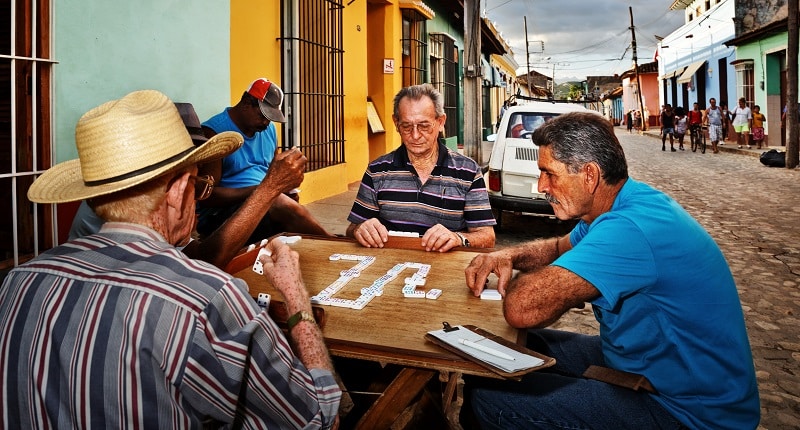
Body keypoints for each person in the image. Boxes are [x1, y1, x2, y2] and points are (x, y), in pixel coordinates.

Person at [0, 90, 341, 428]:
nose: (203, 195)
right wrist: (297, 298)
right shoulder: (207, 299)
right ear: (178, 192)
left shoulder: (16, 282)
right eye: (199, 185)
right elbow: (319, 418)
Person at [459, 112, 759, 430]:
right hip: (644, 362)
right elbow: (558, 249)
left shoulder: (629, 228)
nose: (540, 186)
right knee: (504, 348)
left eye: (549, 173)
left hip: (690, 412)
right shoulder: (618, 205)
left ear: (589, 175)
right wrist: (509, 255)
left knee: (487, 399)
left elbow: (522, 308)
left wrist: (547, 282)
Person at [67, 102, 309, 269]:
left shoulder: (153, 204)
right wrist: (267, 190)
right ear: (178, 188)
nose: (194, 199)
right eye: (196, 182)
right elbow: (206, 262)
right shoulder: (131, 209)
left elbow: (197, 254)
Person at [346, 84, 496, 252]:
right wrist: (360, 229)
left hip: (444, 270)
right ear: (396, 123)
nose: (415, 135)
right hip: (388, 266)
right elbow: (352, 229)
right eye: (407, 126)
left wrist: (458, 238)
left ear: (440, 122)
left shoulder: (467, 171)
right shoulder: (377, 171)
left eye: (424, 126)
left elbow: (487, 236)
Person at [197, 78, 332, 243]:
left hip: (263, 202)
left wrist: (283, 188)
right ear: (246, 104)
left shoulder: (268, 130)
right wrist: (261, 190)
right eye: (263, 116)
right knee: (278, 202)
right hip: (221, 214)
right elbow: (207, 196)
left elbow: (273, 171)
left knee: (284, 205)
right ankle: (331, 241)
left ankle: (326, 241)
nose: (266, 122)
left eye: (270, 118)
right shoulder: (215, 132)